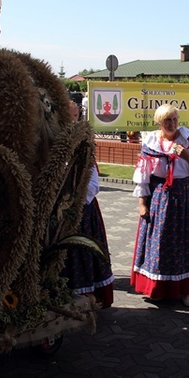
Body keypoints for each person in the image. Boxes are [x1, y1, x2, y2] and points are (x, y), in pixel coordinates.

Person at [131, 104, 189, 307]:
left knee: (182, 243)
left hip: (182, 196)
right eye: (167, 121)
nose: (172, 124)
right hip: (158, 196)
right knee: (160, 242)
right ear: (159, 123)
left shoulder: (187, 138)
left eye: (174, 119)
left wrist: (188, 157)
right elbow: (143, 175)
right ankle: (157, 288)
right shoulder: (151, 142)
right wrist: (142, 204)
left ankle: (184, 291)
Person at [63, 100, 115, 307]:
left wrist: (74, 199)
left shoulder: (84, 143)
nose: (72, 121)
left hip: (81, 210)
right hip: (56, 211)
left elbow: (92, 182)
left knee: (84, 251)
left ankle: (87, 298)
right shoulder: (50, 140)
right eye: (68, 116)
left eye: (75, 116)